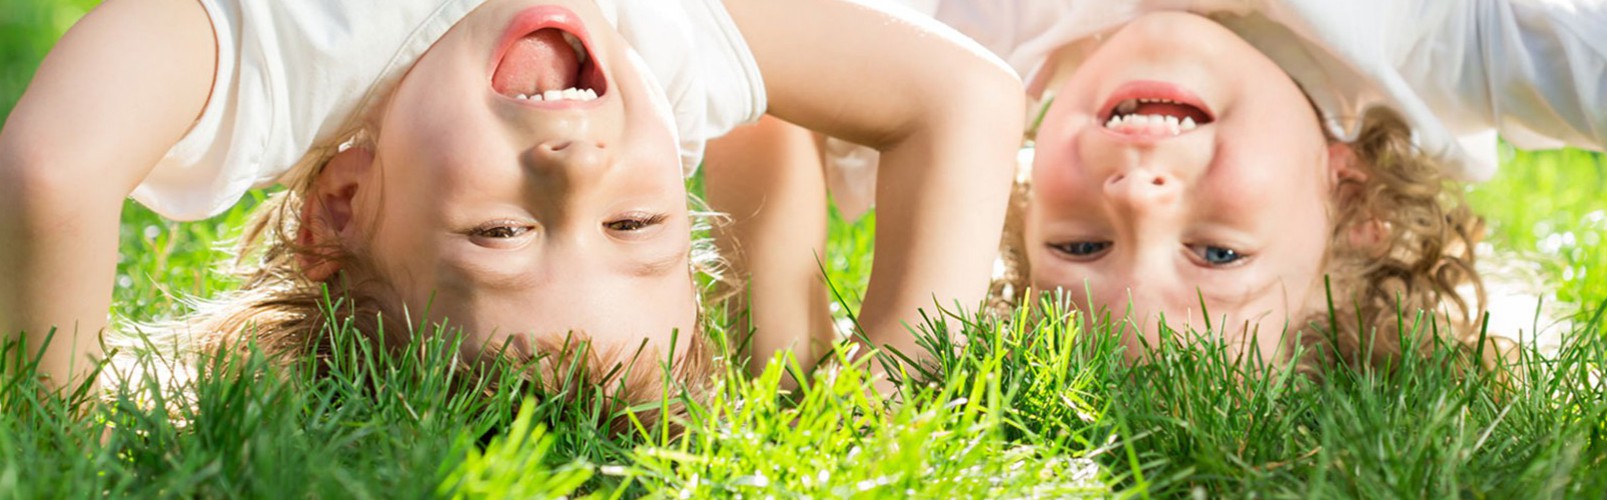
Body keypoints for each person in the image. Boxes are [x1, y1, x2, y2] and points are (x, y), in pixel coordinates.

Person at [0, 0, 1024, 397]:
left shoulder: (291, 60)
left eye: (500, 233)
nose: (576, 165)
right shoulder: (658, 49)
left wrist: (60, 414)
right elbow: (967, 98)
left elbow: (51, 172)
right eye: (636, 223)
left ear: (343, 205)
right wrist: (887, 388)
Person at [712, 0, 1607, 368]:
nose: (1137, 199)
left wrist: (786, 345)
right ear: (1352, 194)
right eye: (1216, 253)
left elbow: (749, 79)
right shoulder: (1441, 37)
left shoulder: (960, 46)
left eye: (1077, 247)